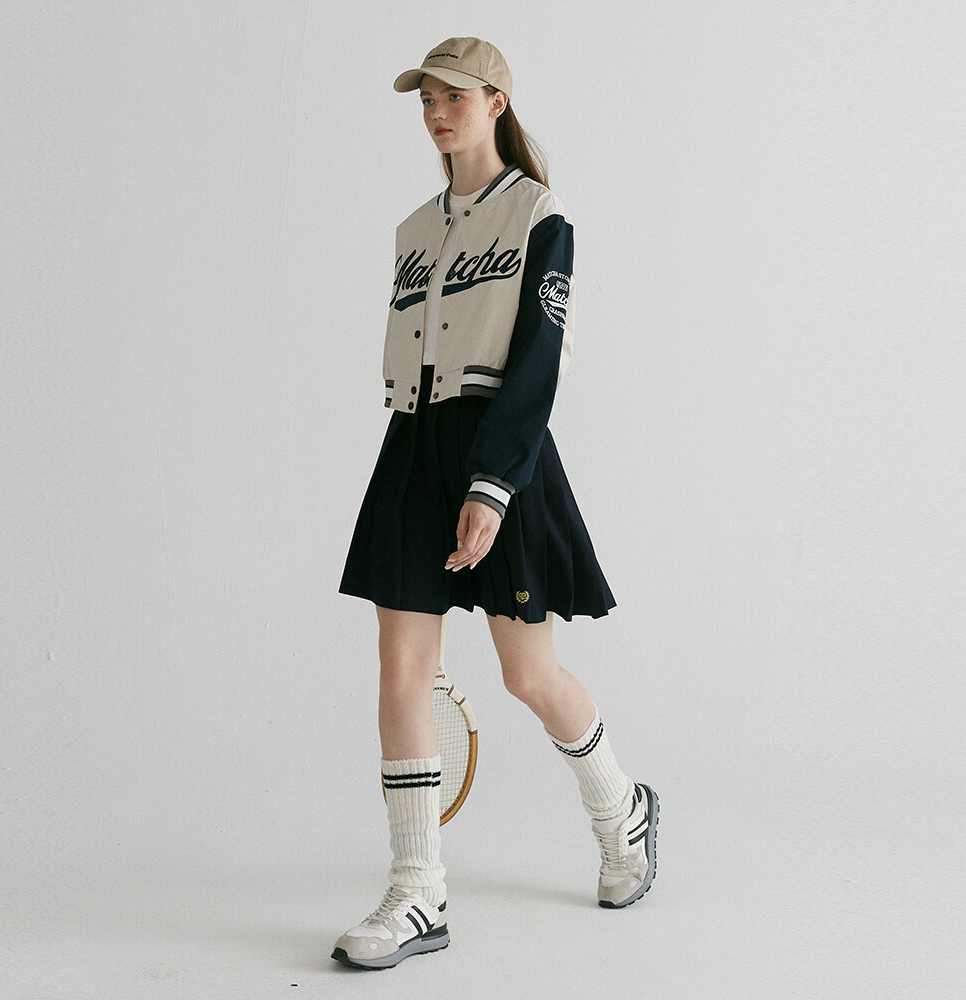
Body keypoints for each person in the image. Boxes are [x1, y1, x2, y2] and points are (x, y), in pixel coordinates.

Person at [331, 37, 659, 970]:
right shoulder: (412, 229)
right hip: (412, 443)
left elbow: (539, 361)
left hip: (499, 448)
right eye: (426, 100)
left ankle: (622, 809)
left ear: (496, 103)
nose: (437, 113)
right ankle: (418, 889)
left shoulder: (538, 217)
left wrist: (493, 484)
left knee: (527, 674)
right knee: (401, 663)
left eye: (454, 97)